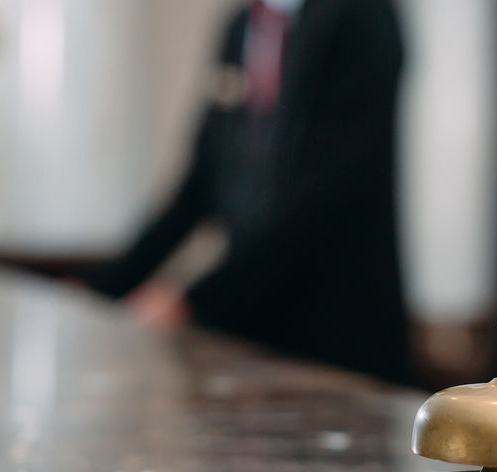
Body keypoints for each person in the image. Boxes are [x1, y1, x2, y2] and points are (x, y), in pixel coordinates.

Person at [83, 0, 410, 383]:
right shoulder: (241, 26)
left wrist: (192, 301)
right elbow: (202, 185)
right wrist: (103, 291)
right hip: (252, 336)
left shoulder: (361, 17)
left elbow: (327, 197)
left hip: (337, 338)